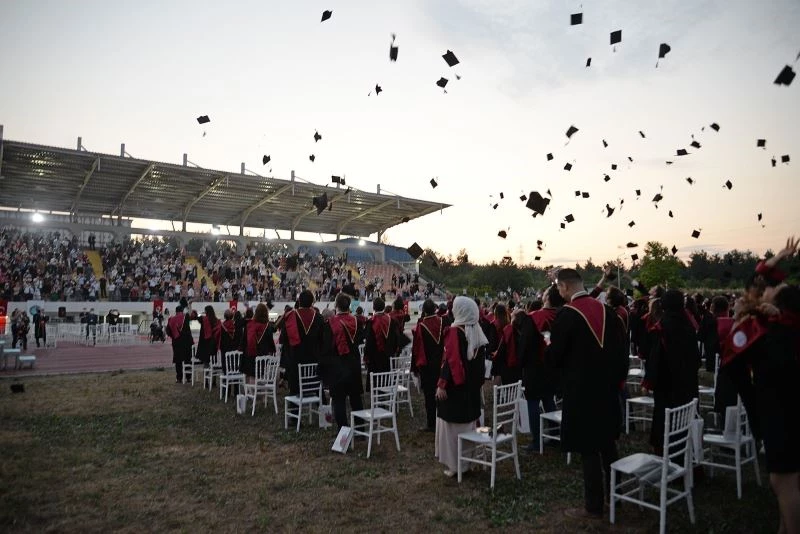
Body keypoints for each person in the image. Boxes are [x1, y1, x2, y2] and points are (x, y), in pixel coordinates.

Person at [546, 268, 628, 520]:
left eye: (559, 288)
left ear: (564, 287)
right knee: (608, 444)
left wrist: (549, 350)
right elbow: (622, 352)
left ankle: (593, 506)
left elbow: (555, 357)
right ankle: (616, 495)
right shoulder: (609, 312)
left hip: (580, 392)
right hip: (608, 390)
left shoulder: (567, 315)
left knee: (588, 449)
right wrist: (617, 382)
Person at [435, 296, 488, 477]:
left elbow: (451, 361)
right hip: (471, 391)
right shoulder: (477, 331)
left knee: (452, 428)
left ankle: (455, 464)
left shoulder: (454, 332)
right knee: (467, 426)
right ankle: (468, 462)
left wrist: (442, 384)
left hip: (455, 391)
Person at [641, 290, 700, 452]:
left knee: (666, 418)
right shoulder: (688, 324)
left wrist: (648, 382)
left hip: (667, 382)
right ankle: (687, 452)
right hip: (687, 380)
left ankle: (666, 454)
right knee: (685, 415)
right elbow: (696, 356)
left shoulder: (661, 327)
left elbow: (655, 358)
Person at [321, 293, 364, 428]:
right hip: (354, 364)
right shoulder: (357, 321)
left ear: (336, 306)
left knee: (338, 400)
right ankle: (360, 429)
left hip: (337, 366)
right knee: (356, 398)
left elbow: (326, 347)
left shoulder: (330, 323)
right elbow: (359, 340)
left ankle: (343, 431)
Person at [280, 290, 324, 396]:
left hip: (295, 361)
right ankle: (320, 402)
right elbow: (322, 340)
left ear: (299, 301)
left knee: (294, 391)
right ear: (312, 302)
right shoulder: (319, 318)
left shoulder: (291, 316)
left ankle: (295, 403)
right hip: (314, 361)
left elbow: (284, 339)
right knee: (316, 387)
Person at [411, 299, 445, 432]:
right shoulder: (443, 321)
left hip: (428, 366)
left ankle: (432, 423)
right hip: (442, 363)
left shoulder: (421, 326)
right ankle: (442, 419)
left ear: (424, 311)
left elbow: (417, 349)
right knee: (442, 392)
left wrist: (415, 368)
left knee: (429, 395)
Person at [364, 297, 404, 390]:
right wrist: (394, 351)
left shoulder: (371, 322)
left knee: (376, 381)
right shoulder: (391, 320)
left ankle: (377, 395)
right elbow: (396, 338)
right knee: (386, 378)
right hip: (388, 355)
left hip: (375, 356)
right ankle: (386, 392)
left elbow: (369, 342)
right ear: (383, 307)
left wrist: (366, 356)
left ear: (373, 307)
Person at [243, 303, 276, 379]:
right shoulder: (268, 327)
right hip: (263, 357)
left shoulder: (249, 325)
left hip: (250, 356)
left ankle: (251, 385)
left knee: (251, 375)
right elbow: (270, 342)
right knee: (262, 371)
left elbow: (245, 341)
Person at [167, 305, 193, 383]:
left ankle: (179, 378)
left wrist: (174, 336)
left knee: (178, 360)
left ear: (176, 311)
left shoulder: (171, 319)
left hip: (177, 342)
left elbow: (168, 331)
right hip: (187, 342)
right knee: (188, 360)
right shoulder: (186, 317)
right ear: (182, 311)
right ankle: (188, 378)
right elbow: (191, 314)